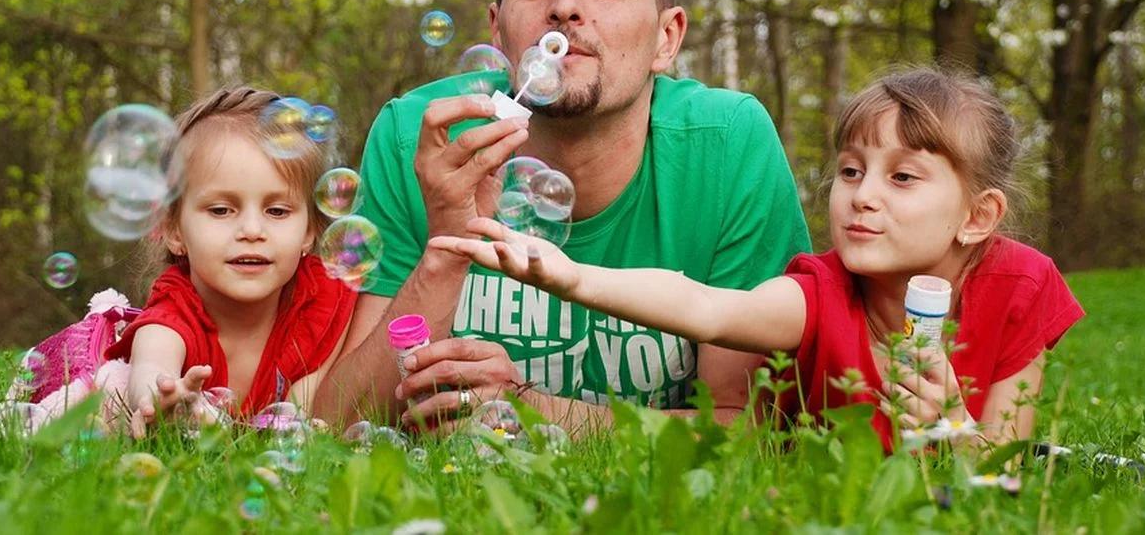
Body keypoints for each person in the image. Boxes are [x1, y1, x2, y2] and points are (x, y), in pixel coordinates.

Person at [313, 0, 810, 428]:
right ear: (498, 31)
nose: (564, 6)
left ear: (667, 39)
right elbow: (340, 422)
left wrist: (533, 412)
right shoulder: (423, 136)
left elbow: (751, 430)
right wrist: (447, 250)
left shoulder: (727, 144)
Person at [431, 68, 1085, 448]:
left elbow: (1005, 467)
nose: (862, 197)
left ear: (978, 217)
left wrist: (953, 431)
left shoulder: (1022, 286)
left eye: (903, 178)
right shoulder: (821, 294)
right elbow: (707, 308)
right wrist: (572, 276)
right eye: (852, 171)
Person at [100, 86, 356, 436]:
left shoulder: (321, 299)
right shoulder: (177, 307)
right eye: (221, 210)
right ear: (174, 229)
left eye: (277, 210)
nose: (252, 230)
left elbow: (303, 408)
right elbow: (152, 364)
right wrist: (160, 400)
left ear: (310, 230)